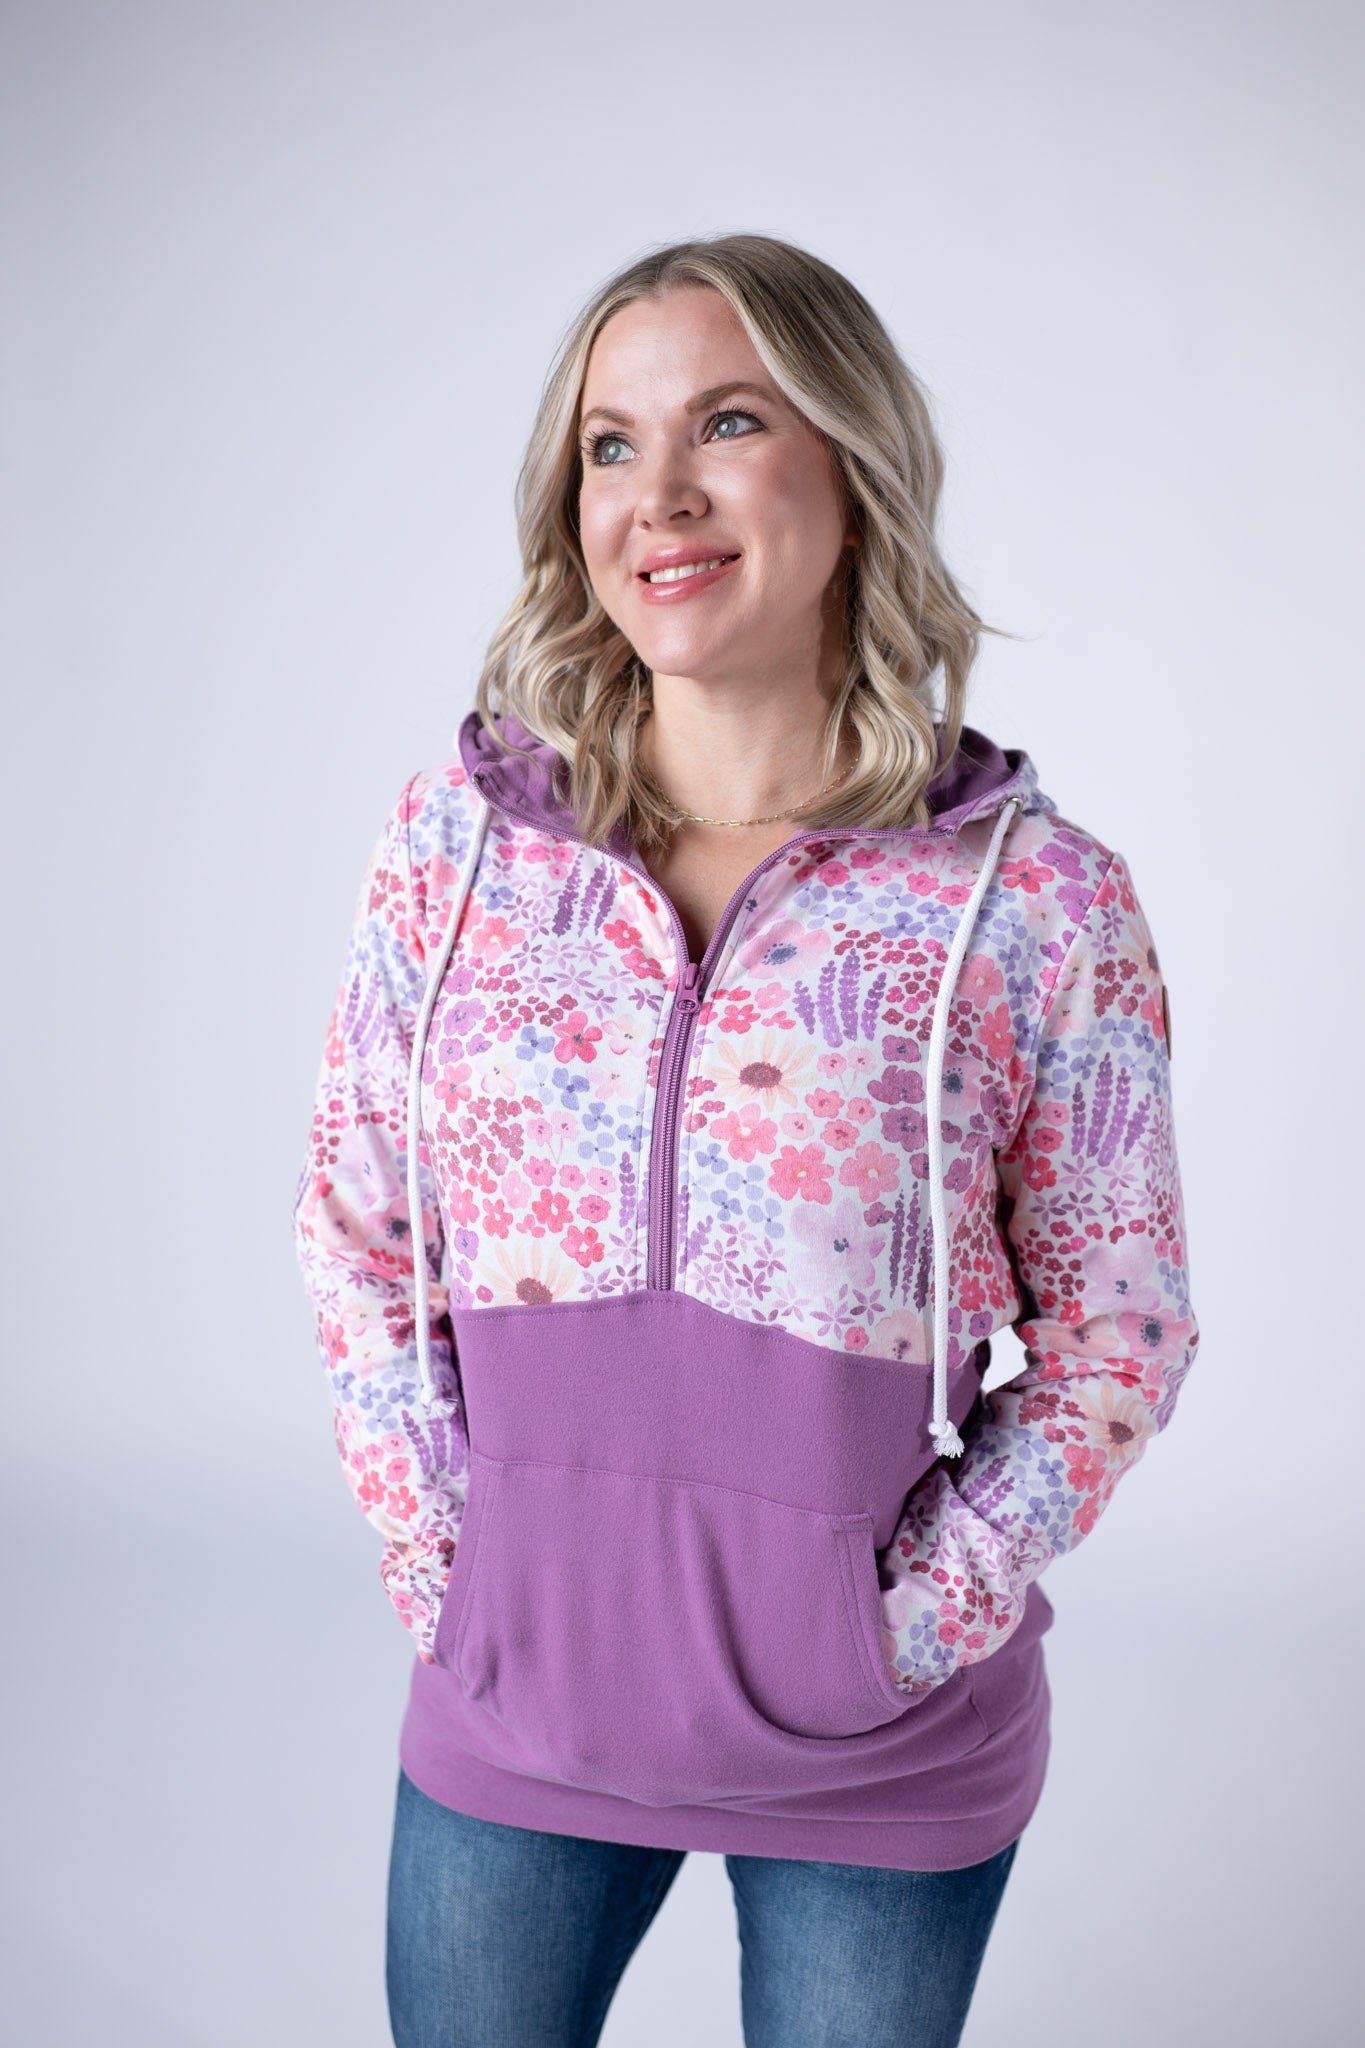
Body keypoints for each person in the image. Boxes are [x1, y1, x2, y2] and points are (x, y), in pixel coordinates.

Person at [291, 232, 1199, 2048]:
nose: (660, 495)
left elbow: (1121, 1326)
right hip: (513, 1715)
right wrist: (454, 1576)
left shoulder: (1034, 902)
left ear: (849, 471)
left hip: (880, 1754)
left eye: (725, 423)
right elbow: (360, 1237)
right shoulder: (459, 850)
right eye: (609, 445)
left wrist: (904, 1623)